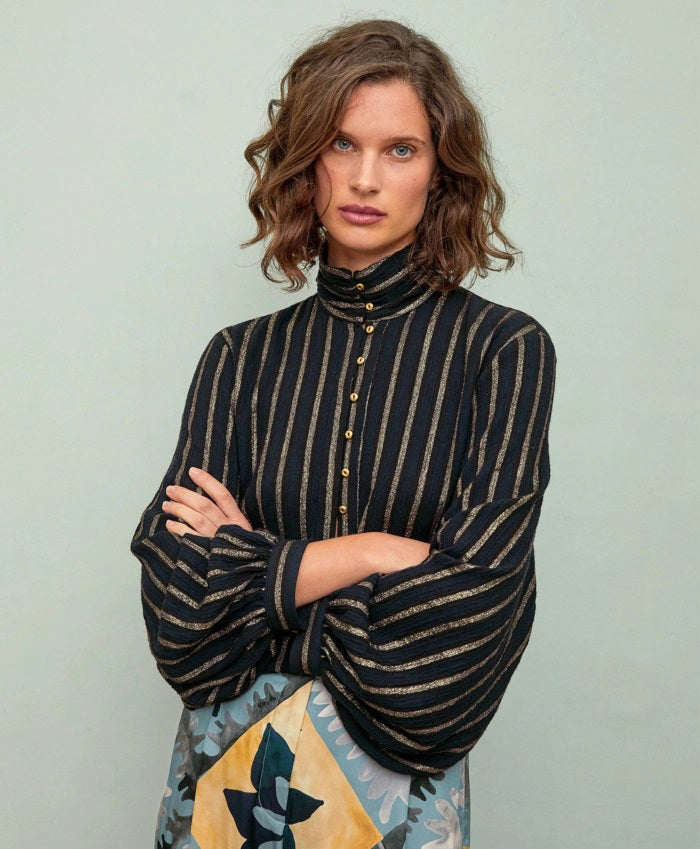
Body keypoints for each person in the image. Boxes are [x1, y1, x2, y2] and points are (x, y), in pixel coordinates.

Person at [130, 17, 556, 849]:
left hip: (398, 796)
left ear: (441, 171)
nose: (365, 177)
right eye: (339, 144)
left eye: (401, 149)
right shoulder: (239, 358)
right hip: (224, 787)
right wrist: (372, 552)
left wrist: (257, 583)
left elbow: (474, 618)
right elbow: (181, 618)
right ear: (306, 163)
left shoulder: (503, 351)